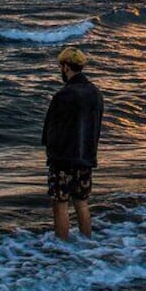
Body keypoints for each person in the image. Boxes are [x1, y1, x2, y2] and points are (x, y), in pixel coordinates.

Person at [41, 47, 104, 240]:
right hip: (86, 157)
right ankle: (87, 244)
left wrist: (51, 153)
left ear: (66, 67)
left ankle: (62, 248)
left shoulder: (64, 95)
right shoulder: (96, 93)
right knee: (82, 202)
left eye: (61, 66)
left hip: (63, 159)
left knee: (60, 204)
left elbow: (50, 129)